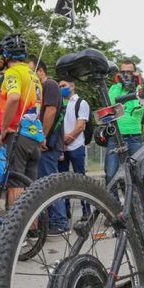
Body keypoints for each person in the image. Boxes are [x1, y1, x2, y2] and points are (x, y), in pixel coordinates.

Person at [0, 33, 43, 205]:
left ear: (5, 55)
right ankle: (32, 222)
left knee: (15, 184)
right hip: (34, 136)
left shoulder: (12, 72)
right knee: (31, 189)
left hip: (17, 135)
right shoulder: (33, 75)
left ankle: (14, 223)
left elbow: (14, 97)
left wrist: (4, 128)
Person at [29, 57, 67, 234]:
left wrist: (41, 136)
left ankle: (59, 221)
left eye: (31, 71)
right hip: (45, 143)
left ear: (40, 71)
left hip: (48, 143)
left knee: (50, 182)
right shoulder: (38, 89)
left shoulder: (49, 85)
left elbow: (51, 111)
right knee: (45, 182)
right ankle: (53, 220)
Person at [105, 60, 144, 183]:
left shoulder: (141, 90)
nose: (126, 75)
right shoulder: (114, 88)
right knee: (110, 174)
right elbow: (111, 104)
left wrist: (137, 85)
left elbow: (138, 109)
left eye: (129, 72)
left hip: (134, 138)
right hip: (115, 137)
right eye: (123, 72)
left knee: (137, 175)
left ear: (135, 73)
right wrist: (119, 84)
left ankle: (134, 196)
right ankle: (112, 196)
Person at [58, 79, 91, 220]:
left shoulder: (81, 103)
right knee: (62, 181)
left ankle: (86, 210)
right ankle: (65, 212)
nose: (61, 88)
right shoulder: (59, 103)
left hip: (76, 146)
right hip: (61, 148)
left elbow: (81, 125)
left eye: (63, 85)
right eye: (59, 86)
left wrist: (68, 139)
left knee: (80, 180)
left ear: (72, 85)